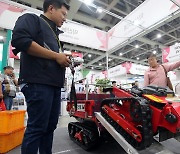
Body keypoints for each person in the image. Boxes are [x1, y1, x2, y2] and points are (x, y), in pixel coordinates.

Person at [11, 0, 71, 153]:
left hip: (53, 85)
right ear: (51, 8)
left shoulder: (55, 33)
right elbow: (20, 40)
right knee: (37, 127)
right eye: (63, 14)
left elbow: (52, 57)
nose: (65, 18)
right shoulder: (32, 19)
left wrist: (65, 60)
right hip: (37, 82)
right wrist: (56, 56)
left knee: (50, 127)